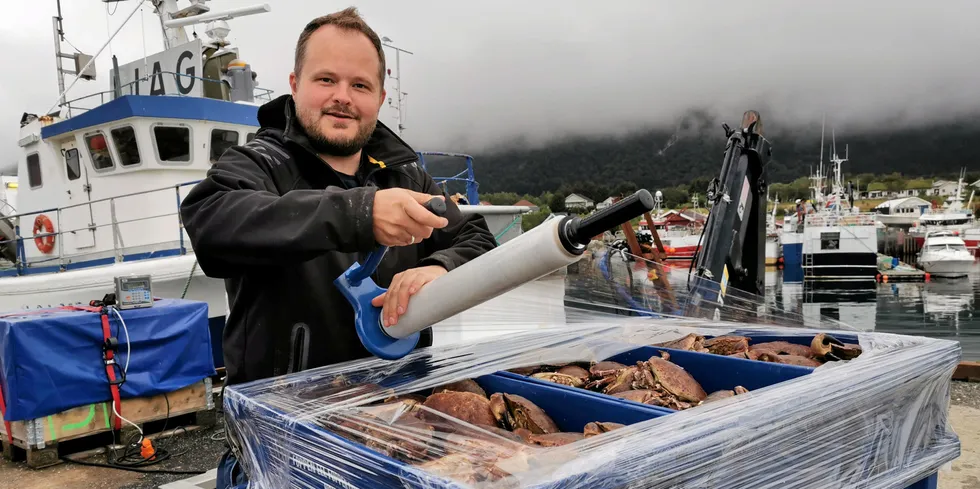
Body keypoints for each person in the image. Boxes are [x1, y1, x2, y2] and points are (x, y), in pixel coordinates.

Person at [178, 8, 497, 488]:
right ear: (295, 82)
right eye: (326, 79)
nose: (342, 98)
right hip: (282, 451)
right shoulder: (256, 164)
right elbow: (212, 223)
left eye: (361, 85)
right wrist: (361, 213)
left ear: (381, 97)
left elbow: (476, 239)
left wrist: (439, 268)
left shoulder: (408, 175)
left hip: (398, 438)